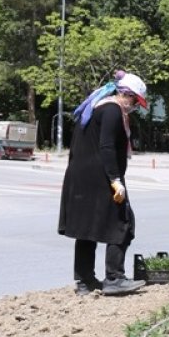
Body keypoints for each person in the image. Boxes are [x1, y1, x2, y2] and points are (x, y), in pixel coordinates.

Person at [58, 70, 149, 296]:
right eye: (136, 102)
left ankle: (84, 281)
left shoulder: (96, 107)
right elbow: (107, 146)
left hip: (80, 176)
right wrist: (116, 180)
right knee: (124, 223)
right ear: (126, 95)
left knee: (86, 228)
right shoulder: (112, 110)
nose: (135, 107)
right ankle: (114, 278)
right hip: (100, 177)